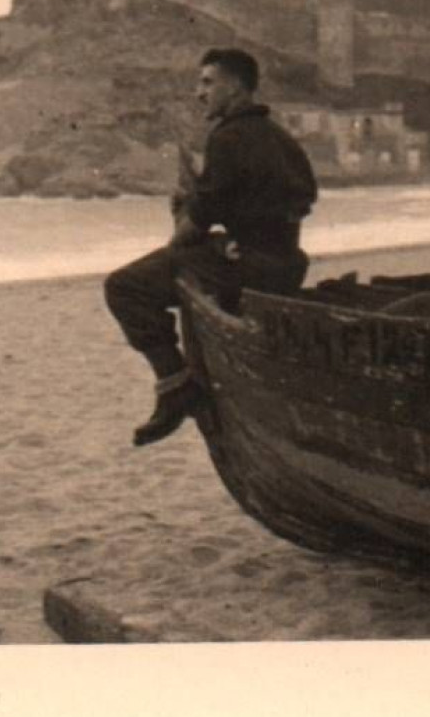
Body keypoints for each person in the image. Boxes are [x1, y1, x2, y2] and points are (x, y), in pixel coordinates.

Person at [104, 48, 318, 447]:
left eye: (207, 82)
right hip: (287, 263)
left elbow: (194, 225)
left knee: (124, 286)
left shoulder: (229, 137)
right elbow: (293, 202)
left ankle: (175, 385)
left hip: (250, 267)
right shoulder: (282, 138)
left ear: (235, 87)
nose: (198, 93)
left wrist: (180, 233)